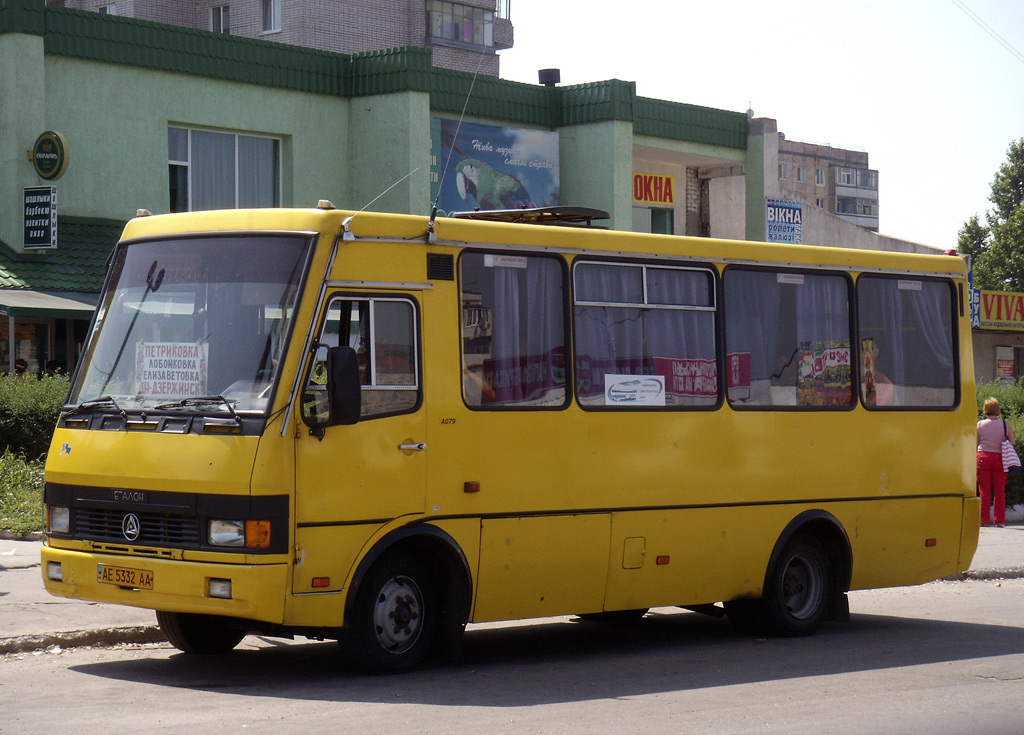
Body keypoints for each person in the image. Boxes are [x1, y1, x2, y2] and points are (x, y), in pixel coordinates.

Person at [977, 397, 1014, 527]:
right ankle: (999, 520)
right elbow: (1012, 441)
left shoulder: (980, 424)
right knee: (999, 490)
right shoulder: (1004, 424)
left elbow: (976, 442)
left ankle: (983, 520)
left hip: (983, 458)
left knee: (984, 490)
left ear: (985, 409)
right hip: (1000, 459)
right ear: (998, 409)